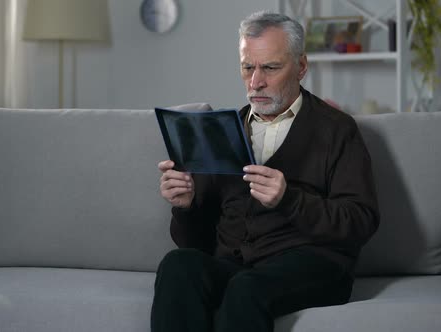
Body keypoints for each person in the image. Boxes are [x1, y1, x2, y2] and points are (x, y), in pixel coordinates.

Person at [151, 11, 379, 332]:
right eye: (247, 68)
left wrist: (289, 200)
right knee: (177, 265)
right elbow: (195, 244)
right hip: (236, 265)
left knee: (246, 288)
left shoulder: (337, 130)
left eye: (270, 67)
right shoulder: (222, 131)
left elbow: (361, 221)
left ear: (300, 67)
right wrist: (186, 207)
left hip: (312, 266)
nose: (256, 82)